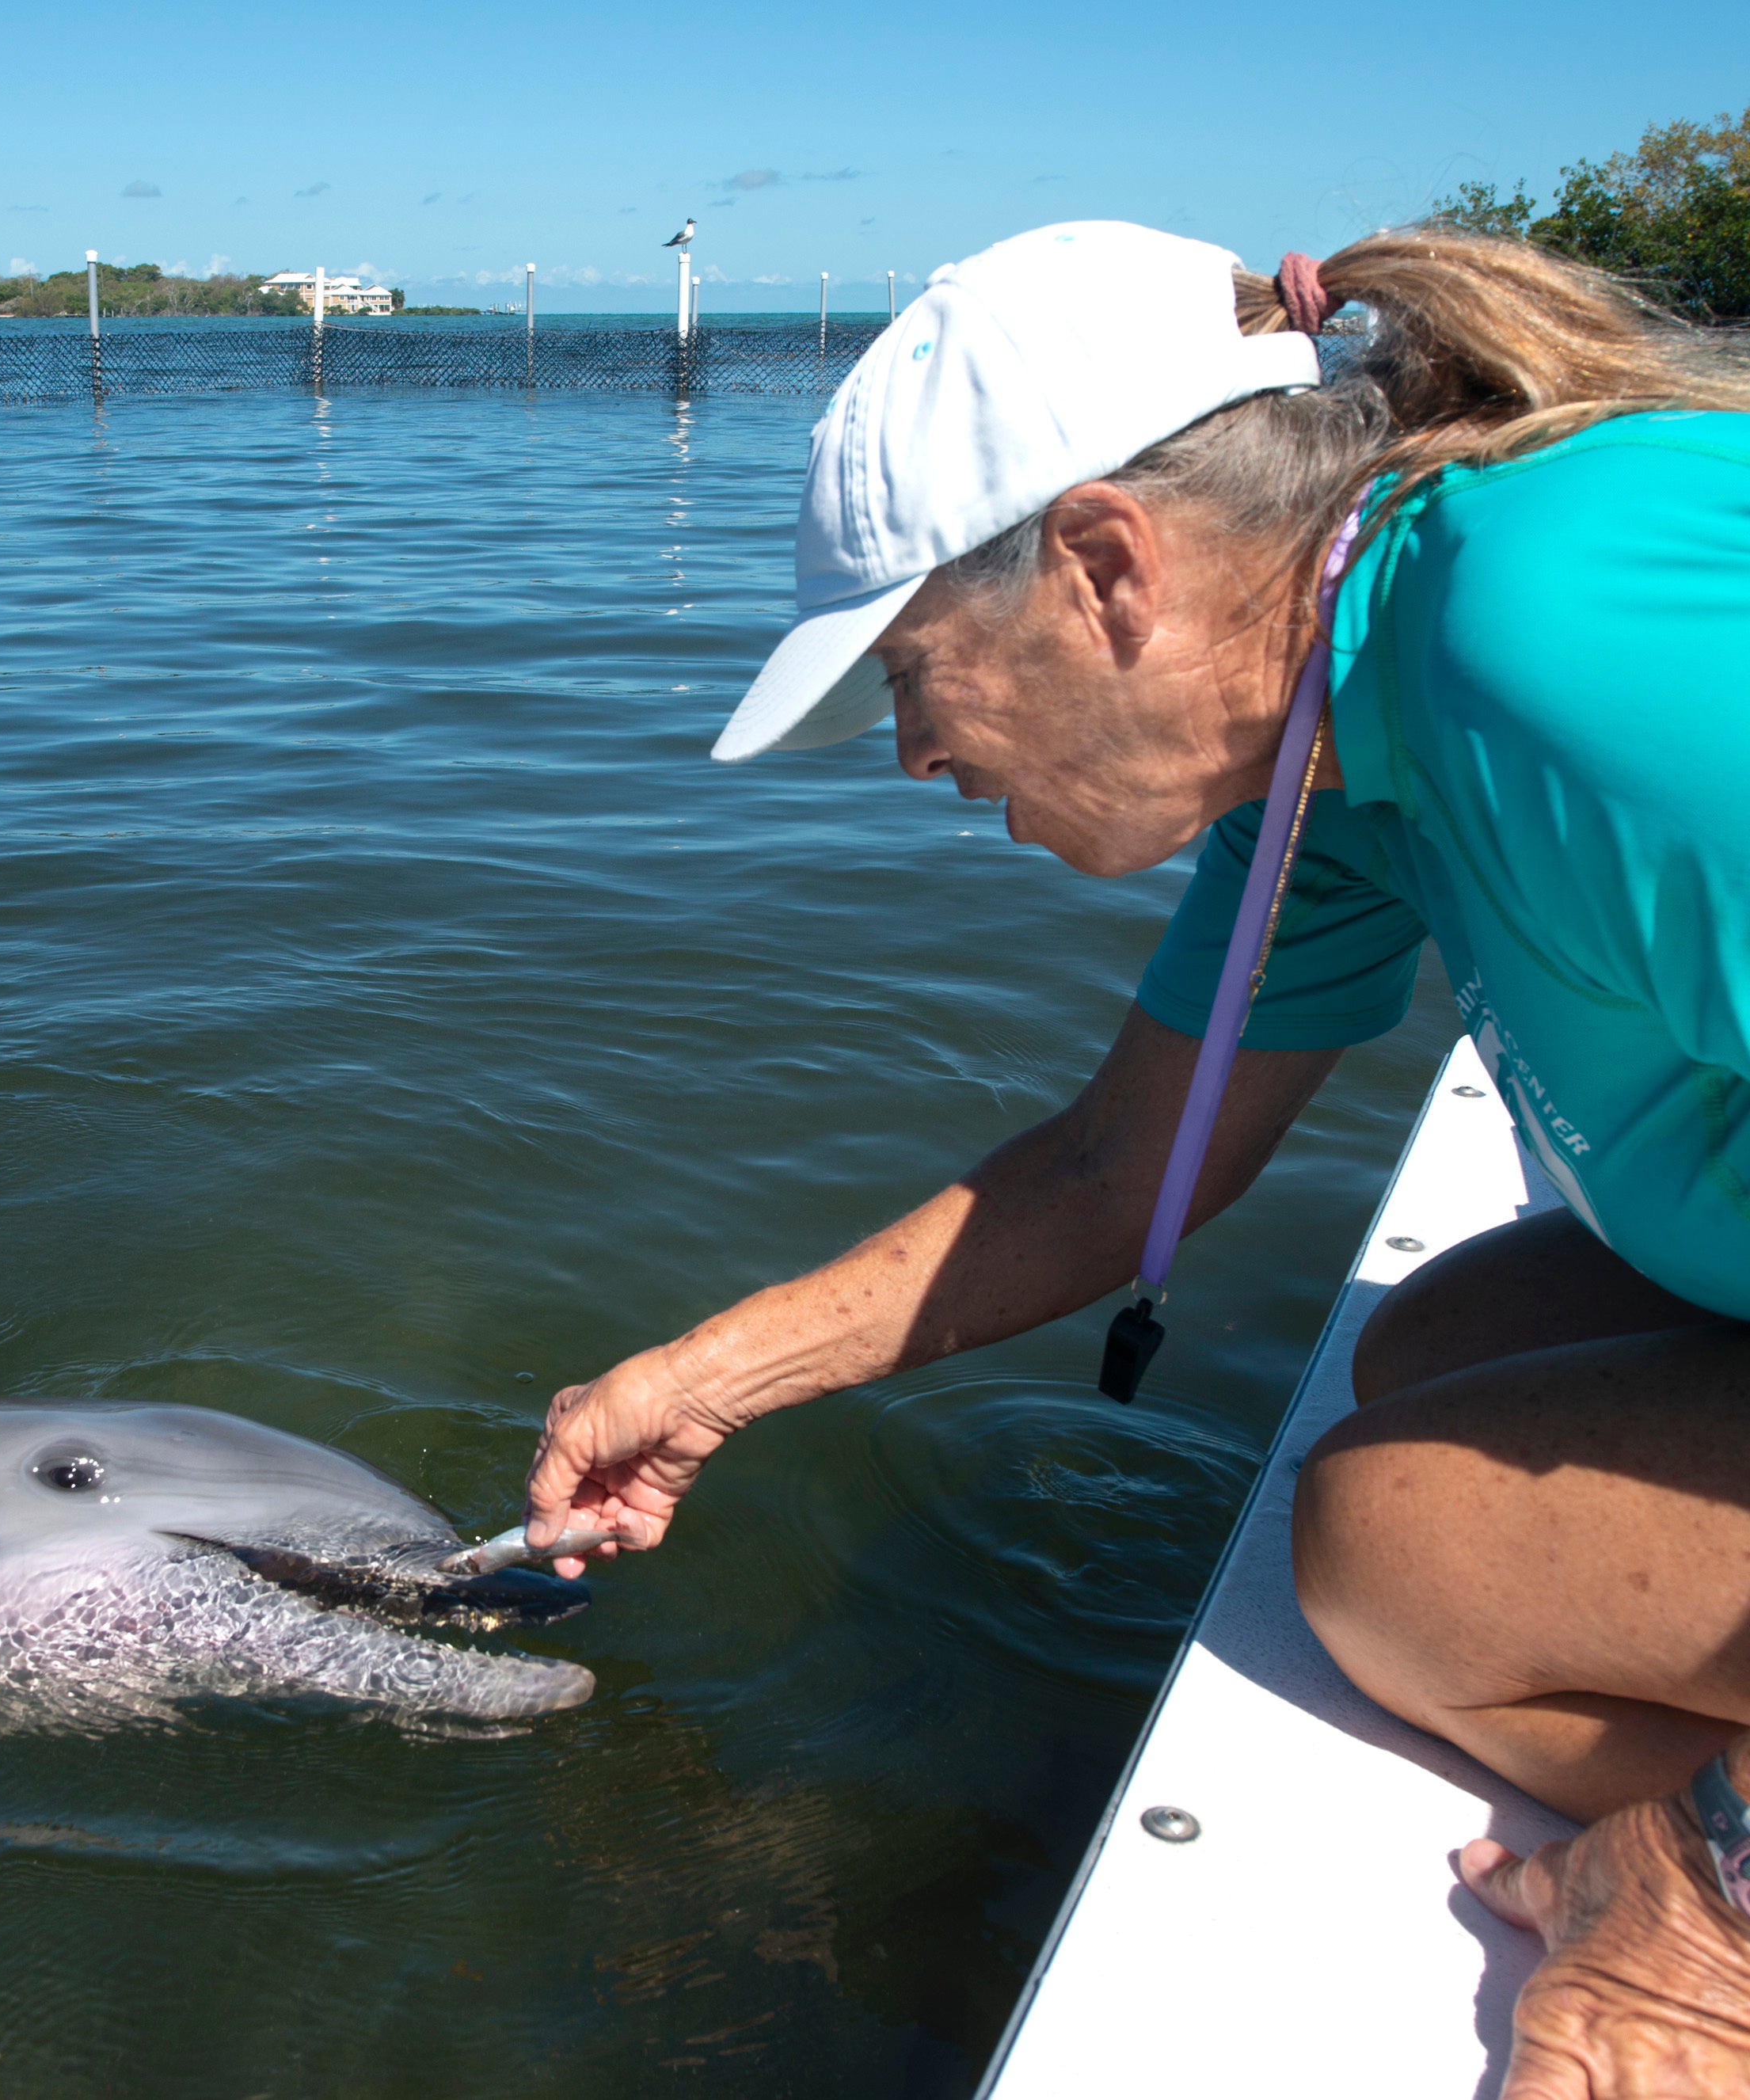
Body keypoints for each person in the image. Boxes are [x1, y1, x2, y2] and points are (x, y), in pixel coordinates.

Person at [520, 219, 1750, 2094]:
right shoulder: (1346, 738)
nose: (912, 754)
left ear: (1105, 567)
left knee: (1396, 1547)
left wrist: (1709, 1897)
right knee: (1443, 1356)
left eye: (911, 675)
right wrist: (709, 1383)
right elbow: (1115, 1168)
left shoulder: (1559, 634)